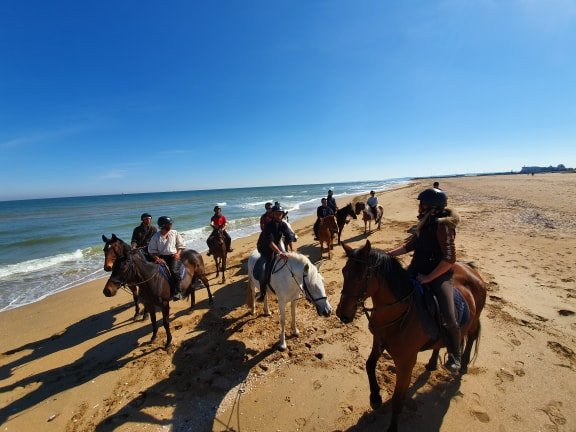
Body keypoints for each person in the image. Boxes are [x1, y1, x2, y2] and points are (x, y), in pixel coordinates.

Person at [386, 188, 461, 373]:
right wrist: (387, 254)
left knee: (448, 315)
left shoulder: (443, 226)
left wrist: (428, 277)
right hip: (416, 270)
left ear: (432, 207)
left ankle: (455, 355)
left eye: (422, 204)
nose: (419, 207)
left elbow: (450, 259)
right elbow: (408, 247)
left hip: (438, 275)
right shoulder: (424, 224)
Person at [256, 205, 292, 301]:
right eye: (276, 213)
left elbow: (288, 235)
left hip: (277, 246)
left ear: (282, 215)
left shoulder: (283, 224)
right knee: (265, 270)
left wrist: (291, 237)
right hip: (265, 248)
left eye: (280, 214)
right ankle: (262, 293)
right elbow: (270, 243)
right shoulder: (268, 226)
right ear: (273, 214)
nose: (278, 215)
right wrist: (280, 252)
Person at [148, 216, 186, 301]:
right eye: (170, 224)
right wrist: (157, 258)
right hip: (161, 257)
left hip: (173, 256)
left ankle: (178, 292)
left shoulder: (174, 233)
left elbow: (181, 245)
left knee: (174, 270)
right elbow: (151, 251)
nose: (171, 225)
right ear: (164, 225)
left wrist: (178, 254)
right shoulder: (156, 236)